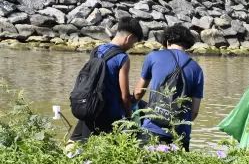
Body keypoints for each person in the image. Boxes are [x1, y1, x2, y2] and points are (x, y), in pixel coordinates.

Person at [68, 16, 143, 144]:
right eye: (134, 42)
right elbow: (124, 96)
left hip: (91, 107)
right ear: (129, 38)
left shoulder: (97, 50)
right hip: (109, 114)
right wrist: (129, 116)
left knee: (84, 147)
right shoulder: (122, 58)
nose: (132, 46)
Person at [134, 25, 204, 151]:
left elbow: (138, 93)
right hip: (180, 134)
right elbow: (194, 111)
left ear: (167, 41)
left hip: (152, 128)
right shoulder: (197, 69)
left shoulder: (153, 57)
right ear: (187, 45)